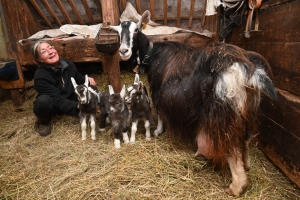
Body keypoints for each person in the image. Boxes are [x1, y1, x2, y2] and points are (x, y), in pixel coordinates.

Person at [31, 40, 96, 136]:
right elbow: (57, 100)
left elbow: (78, 78)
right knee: (42, 102)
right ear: (39, 59)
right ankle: (44, 122)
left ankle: (84, 111)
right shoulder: (40, 76)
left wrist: (87, 80)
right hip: (54, 105)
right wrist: (78, 106)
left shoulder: (67, 63)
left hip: (69, 97)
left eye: (50, 47)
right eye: (44, 51)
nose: (50, 52)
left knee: (90, 89)